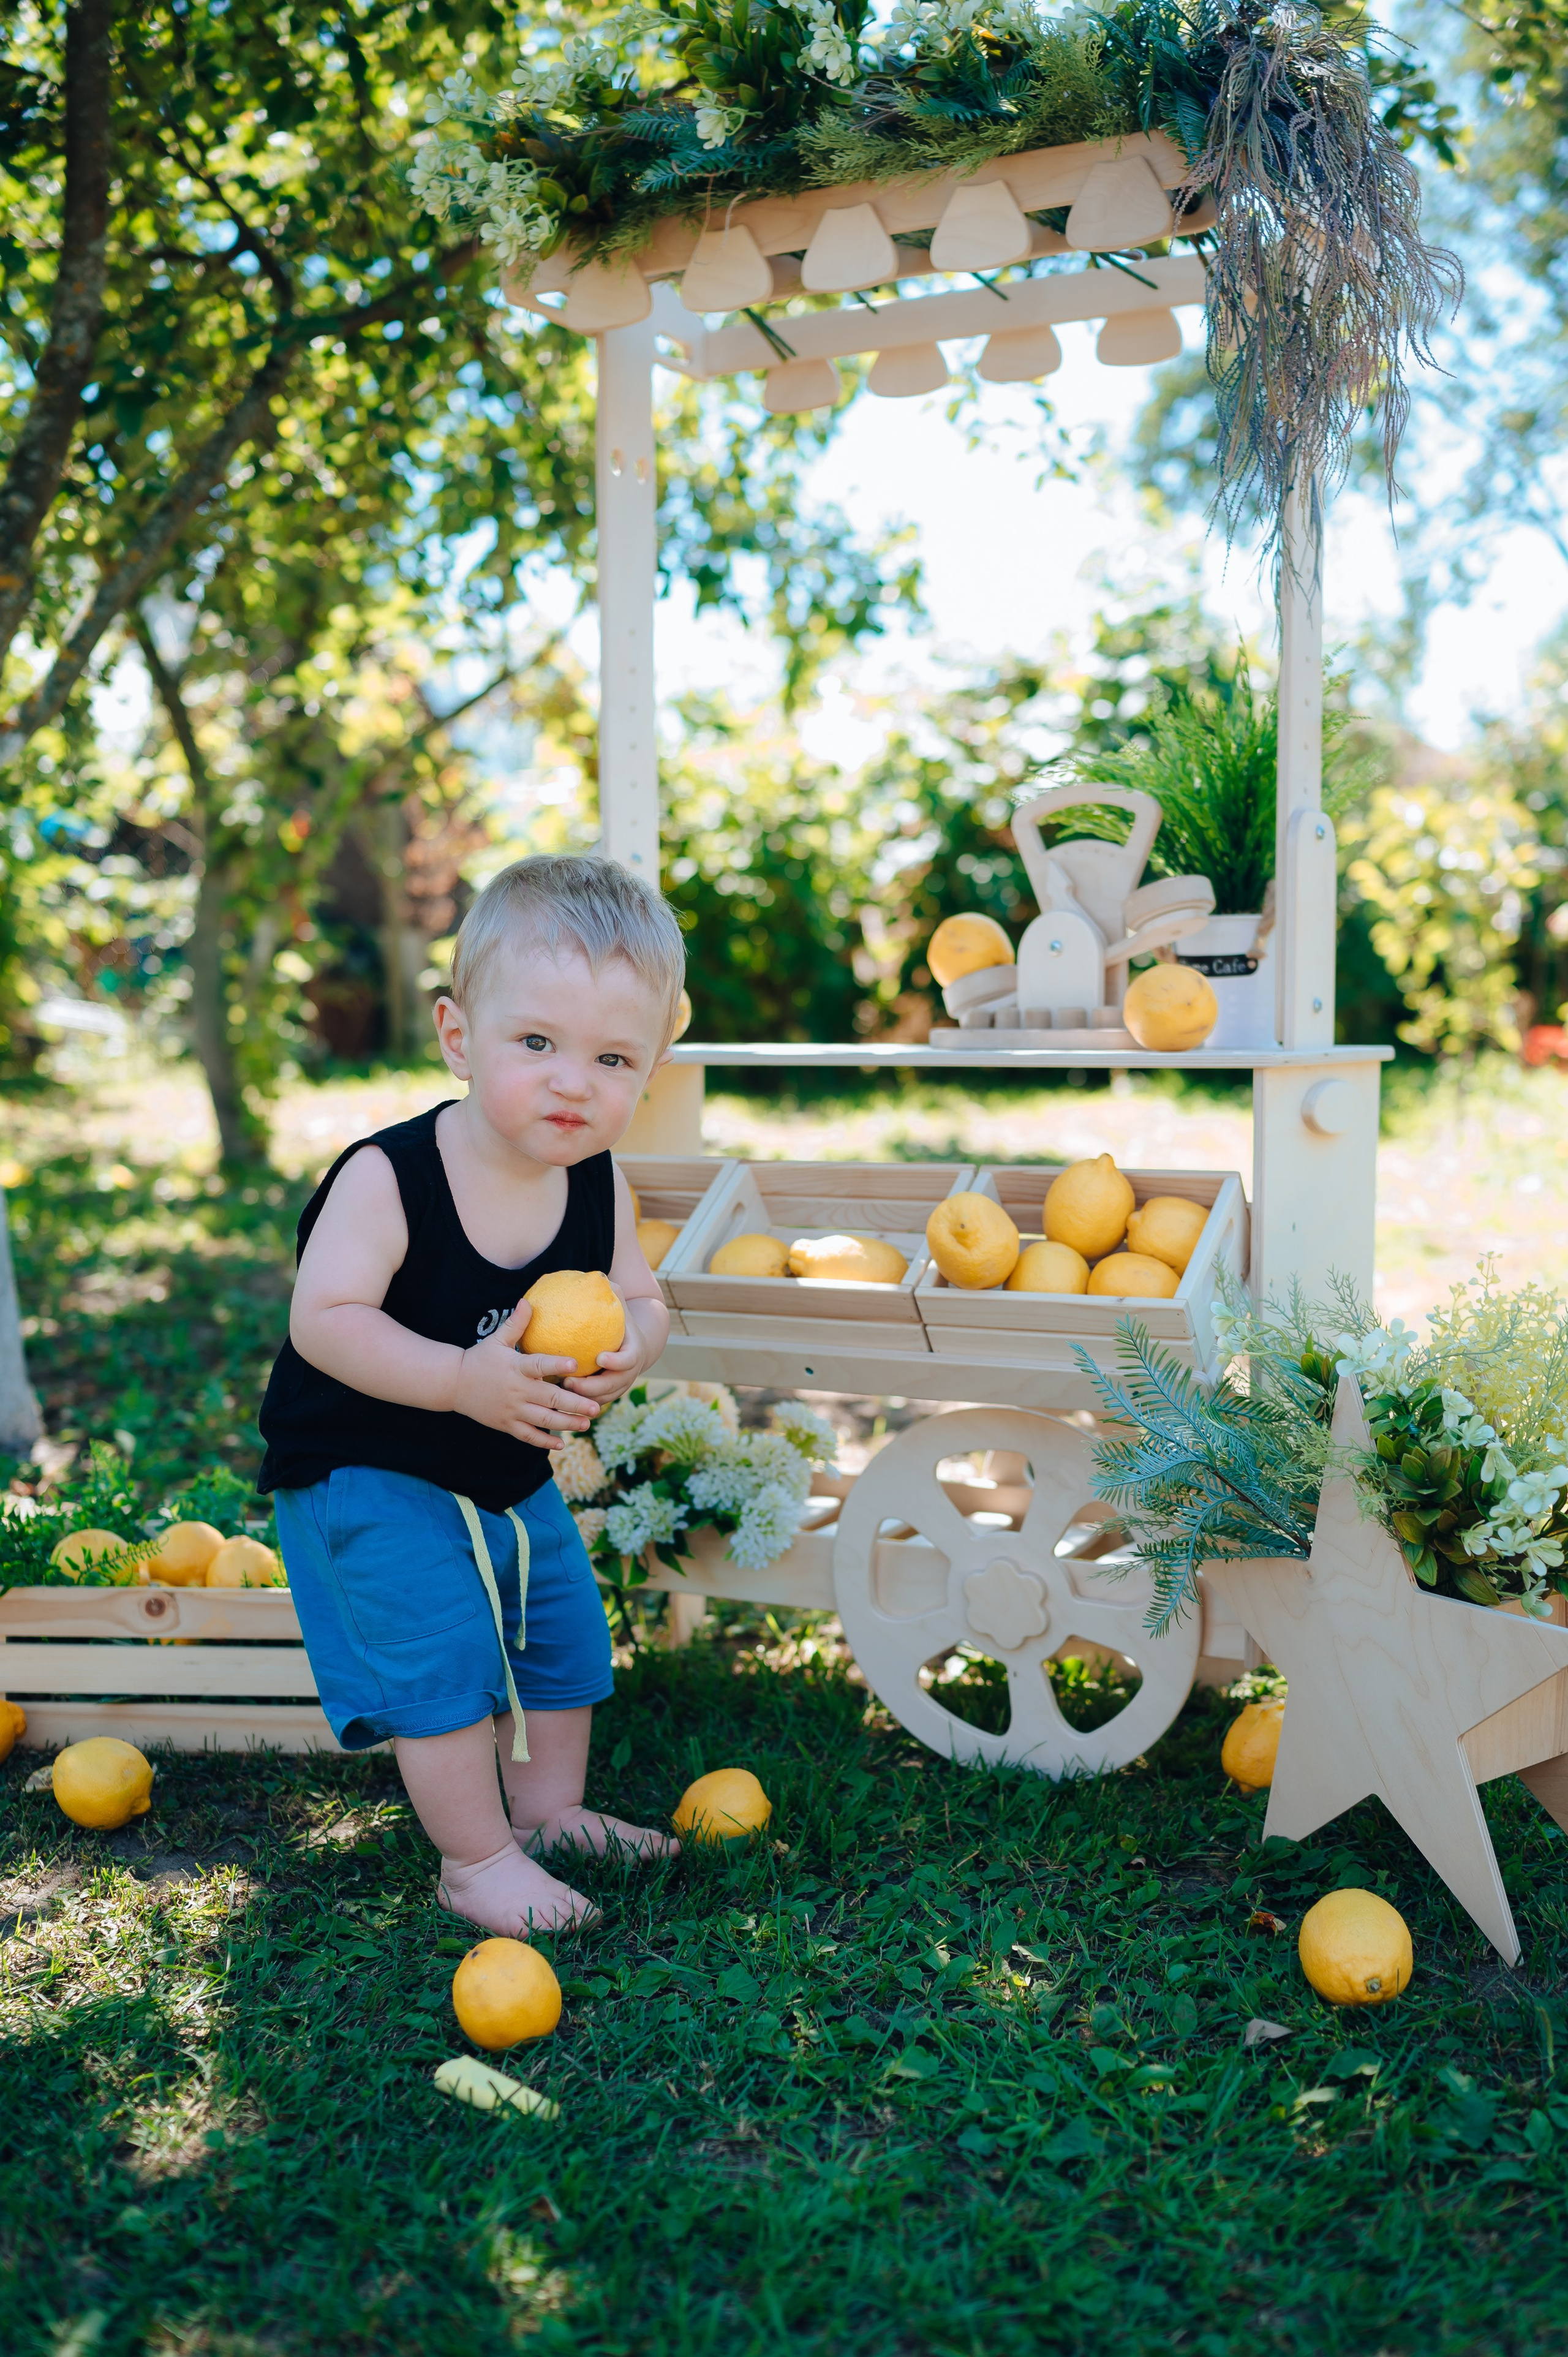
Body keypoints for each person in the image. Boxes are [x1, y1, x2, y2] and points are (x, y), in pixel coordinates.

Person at [257, 853, 685, 1935]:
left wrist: (637, 1342)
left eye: (613, 1057)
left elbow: (640, 1294)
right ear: (460, 1038)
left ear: (649, 1071)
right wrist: (459, 1377)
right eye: (536, 1043)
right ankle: (476, 1860)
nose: (572, 1081)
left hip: (503, 1469)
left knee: (563, 1644)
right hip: (369, 1470)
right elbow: (327, 1321)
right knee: (440, 1664)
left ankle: (551, 1816)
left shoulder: (597, 1180)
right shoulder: (389, 1176)